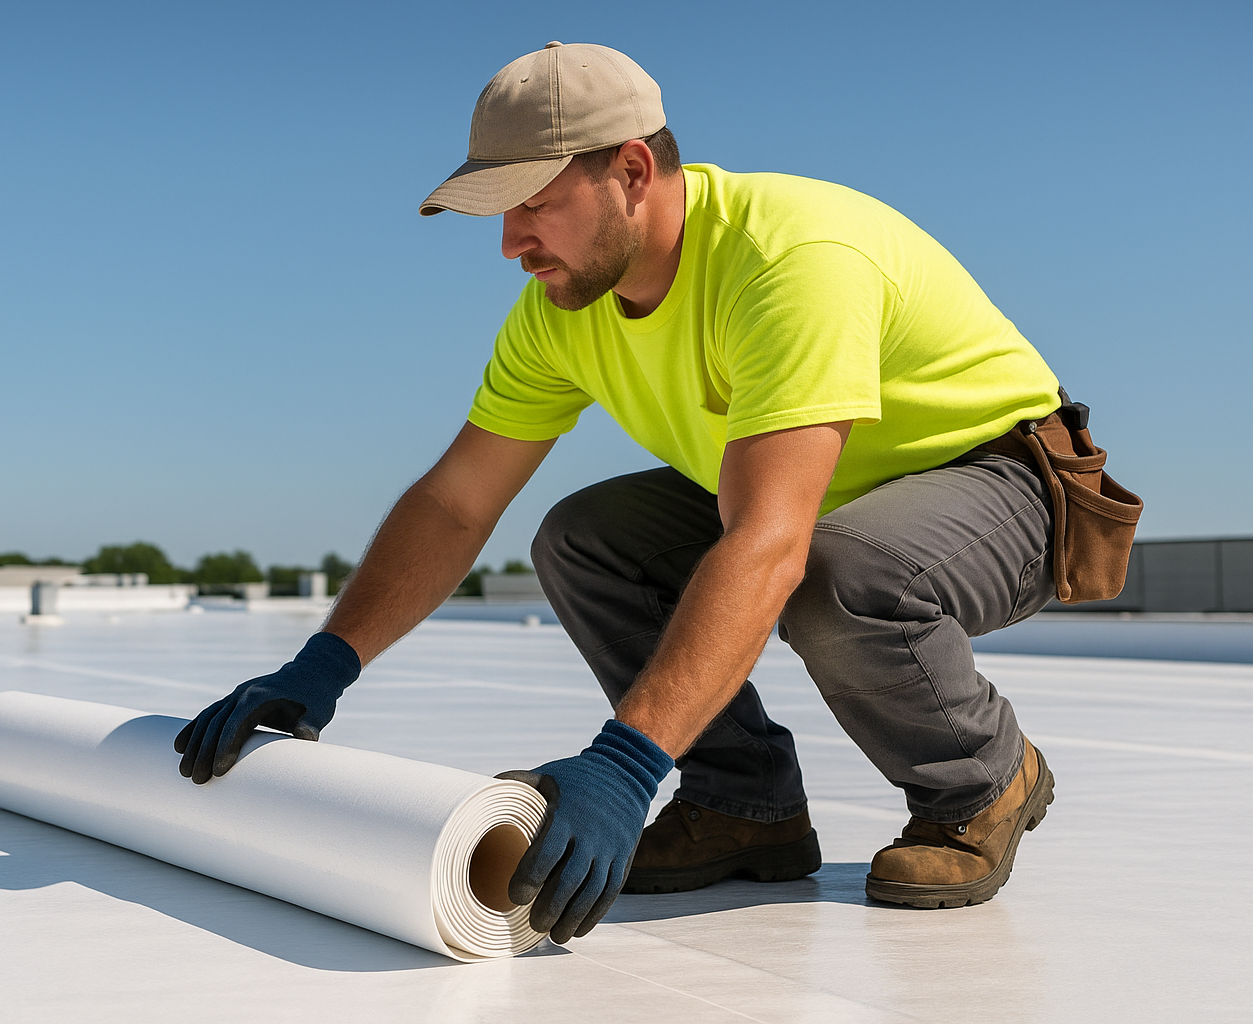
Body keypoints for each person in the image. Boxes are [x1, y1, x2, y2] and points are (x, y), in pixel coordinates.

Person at [174, 41, 1066, 945]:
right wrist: (324, 666)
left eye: (533, 205)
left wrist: (624, 763)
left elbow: (770, 542)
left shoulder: (788, 259)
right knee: (585, 537)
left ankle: (984, 781)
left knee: (833, 571)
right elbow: (456, 502)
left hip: (1003, 484)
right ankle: (744, 806)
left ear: (632, 171)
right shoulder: (561, 311)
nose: (511, 244)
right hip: (827, 500)